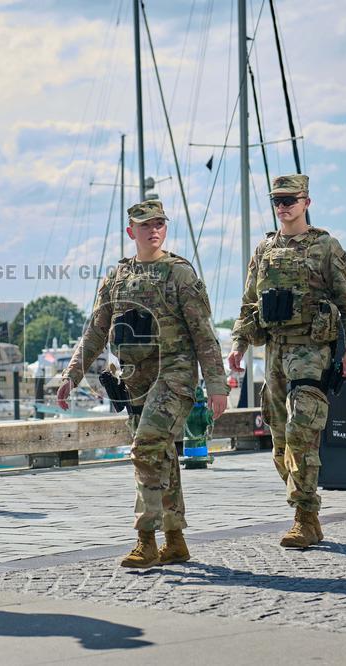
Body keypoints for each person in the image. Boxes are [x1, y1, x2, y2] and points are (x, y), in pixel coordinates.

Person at [57, 199, 228, 568]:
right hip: (136, 380)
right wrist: (71, 375)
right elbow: (96, 331)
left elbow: (204, 333)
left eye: (159, 224)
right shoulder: (117, 277)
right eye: (146, 225)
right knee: (161, 455)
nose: (154, 230)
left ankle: (145, 540)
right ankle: (176, 540)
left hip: (175, 373)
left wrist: (217, 384)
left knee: (146, 447)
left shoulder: (180, 274)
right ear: (130, 231)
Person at [227, 174, 346, 549]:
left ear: (307, 202)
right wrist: (238, 344)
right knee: (278, 439)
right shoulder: (264, 250)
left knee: (301, 432)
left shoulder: (325, 247)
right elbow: (248, 305)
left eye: (290, 199)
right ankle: (308, 513)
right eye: (277, 200)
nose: (283, 206)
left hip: (311, 351)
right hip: (274, 351)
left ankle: (304, 516)